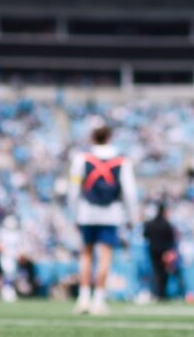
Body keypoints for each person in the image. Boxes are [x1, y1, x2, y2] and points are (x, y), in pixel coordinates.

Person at [69, 124, 139, 316]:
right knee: (105, 257)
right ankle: (98, 300)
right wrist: (132, 217)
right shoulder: (122, 161)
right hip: (111, 213)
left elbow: (74, 189)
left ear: (92, 138)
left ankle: (83, 298)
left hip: (86, 212)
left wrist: (74, 213)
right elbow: (130, 192)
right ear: (109, 137)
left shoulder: (81, 158)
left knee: (86, 255)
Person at [144, 203, 177, 301]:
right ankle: (162, 293)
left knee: (156, 272)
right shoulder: (167, 224)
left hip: (153, 251)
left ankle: (157, 293)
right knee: (164, 273)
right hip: (164, 252)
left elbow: (145, 235)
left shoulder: (150, 224)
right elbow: (171, 240)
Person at [0, 216, 22, 303]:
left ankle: (9, 291)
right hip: (6, 256)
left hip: (14, 257)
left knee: (13, 275)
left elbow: (19, 246)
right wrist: (6, 253)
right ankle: (6, 292)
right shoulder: (2, 233)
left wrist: (18, 254)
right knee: (8, 273)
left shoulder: (17, 233)